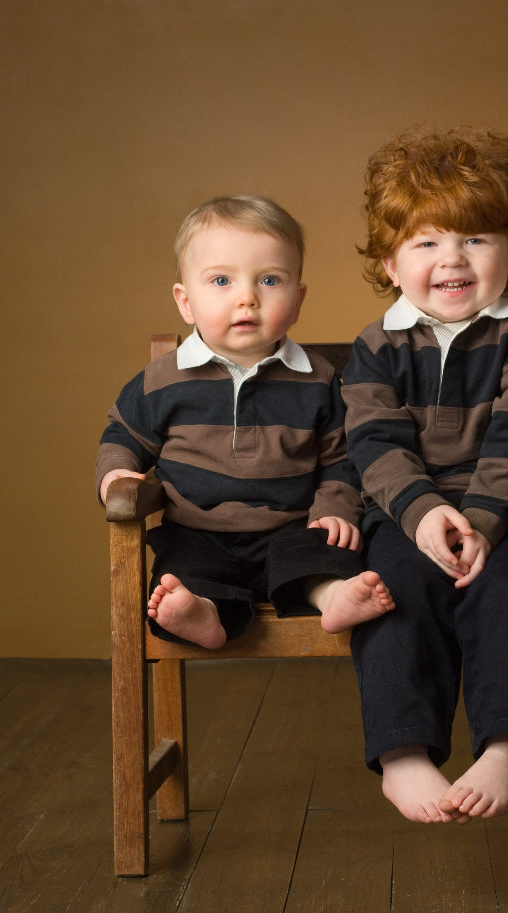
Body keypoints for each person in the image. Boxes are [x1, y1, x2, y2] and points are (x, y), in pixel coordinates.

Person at [341, 126, 508, 824]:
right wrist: (421, 514)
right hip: (407, 514)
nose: (452, 259)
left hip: (507, 513)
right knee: (391, 592)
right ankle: (403, 752)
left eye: (475, 239)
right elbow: (374, 442)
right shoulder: (376, 346)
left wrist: (486, 520)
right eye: (427, 242)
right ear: (389, 260)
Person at [95, 195, 394, 649]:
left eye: (270, 280)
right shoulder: (162, 380)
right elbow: (122, 434)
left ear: (297, 300)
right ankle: (202, 611)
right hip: (197, 529)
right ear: (186, 301)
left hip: (290, 525)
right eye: (220, 280)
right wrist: (116, 473)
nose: (247, 298)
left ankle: (332, 595)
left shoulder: (317, 379)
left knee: (320, 552)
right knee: (182, 571)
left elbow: (343, 458)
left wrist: (334, 507)